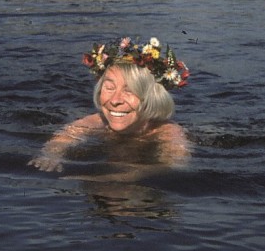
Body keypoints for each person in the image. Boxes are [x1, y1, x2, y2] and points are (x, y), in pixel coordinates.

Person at [29, 36, 190, 175]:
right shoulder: (96, 122)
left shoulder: (167, 132)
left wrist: (115, 180)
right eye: (109, 88)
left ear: (152, 97)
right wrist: (51, 156)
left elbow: (173, 166)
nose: (115, 100)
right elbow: (61, 140)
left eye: (129, 91)